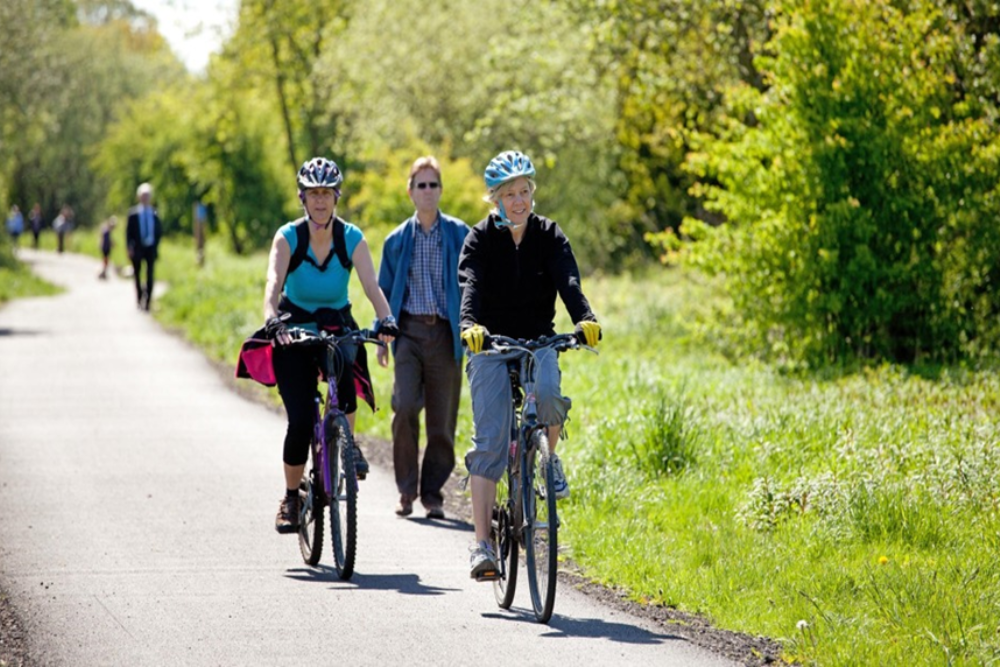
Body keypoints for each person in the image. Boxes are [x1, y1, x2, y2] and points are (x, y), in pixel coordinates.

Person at [458, 150, 602, 580]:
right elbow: (471, 285)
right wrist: (469, 325)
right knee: (490, 443)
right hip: (490, 344)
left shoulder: (549, 234)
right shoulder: (479, 239)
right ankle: (483, 546)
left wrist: (585, 318)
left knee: (551, 393)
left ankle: (547, 459)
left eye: (524, 192)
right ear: (495, 199)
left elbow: (568, 280)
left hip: (539, 339)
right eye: (509, 194)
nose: (519, 201)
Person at [261, 156, 398, 534]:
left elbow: (372, 287)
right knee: (300, 422)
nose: (320, 200)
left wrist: (386, 319)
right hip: (293, 330)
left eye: (326, 193)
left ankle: (347, 442)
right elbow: (272, 285)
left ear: (336, 196)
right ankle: (291, 497)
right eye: (313, 194)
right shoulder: (288, 237)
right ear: (302, 198)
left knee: (347, 373)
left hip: (336, 324)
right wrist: (272, 318)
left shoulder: (351, 238)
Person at [377, 156, 469, 519]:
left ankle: (432, 494)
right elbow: (383, 290)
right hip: (409, 334)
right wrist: (382, 335)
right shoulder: (396, 240)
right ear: (410, 191)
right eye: (421, 185)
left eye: (433, 184)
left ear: (441, 190)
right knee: (404, 408)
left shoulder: (460, 234)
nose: (427, 191)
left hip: (446, 335)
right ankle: (405, 490)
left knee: (442, 422)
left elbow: (473, 285)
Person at [125, 183, 162, 310]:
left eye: (147, 196)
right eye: (143, 195)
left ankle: (148, 301)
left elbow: (158, 232)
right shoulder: (133, 214)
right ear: (139, 197)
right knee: (137, 274)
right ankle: (139, 297)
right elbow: (128, 233)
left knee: (150, 274)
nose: (145, 198)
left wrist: (156, 246)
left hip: (150, 247)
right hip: (137, 247)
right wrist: (129, 247)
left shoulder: (155, 213)